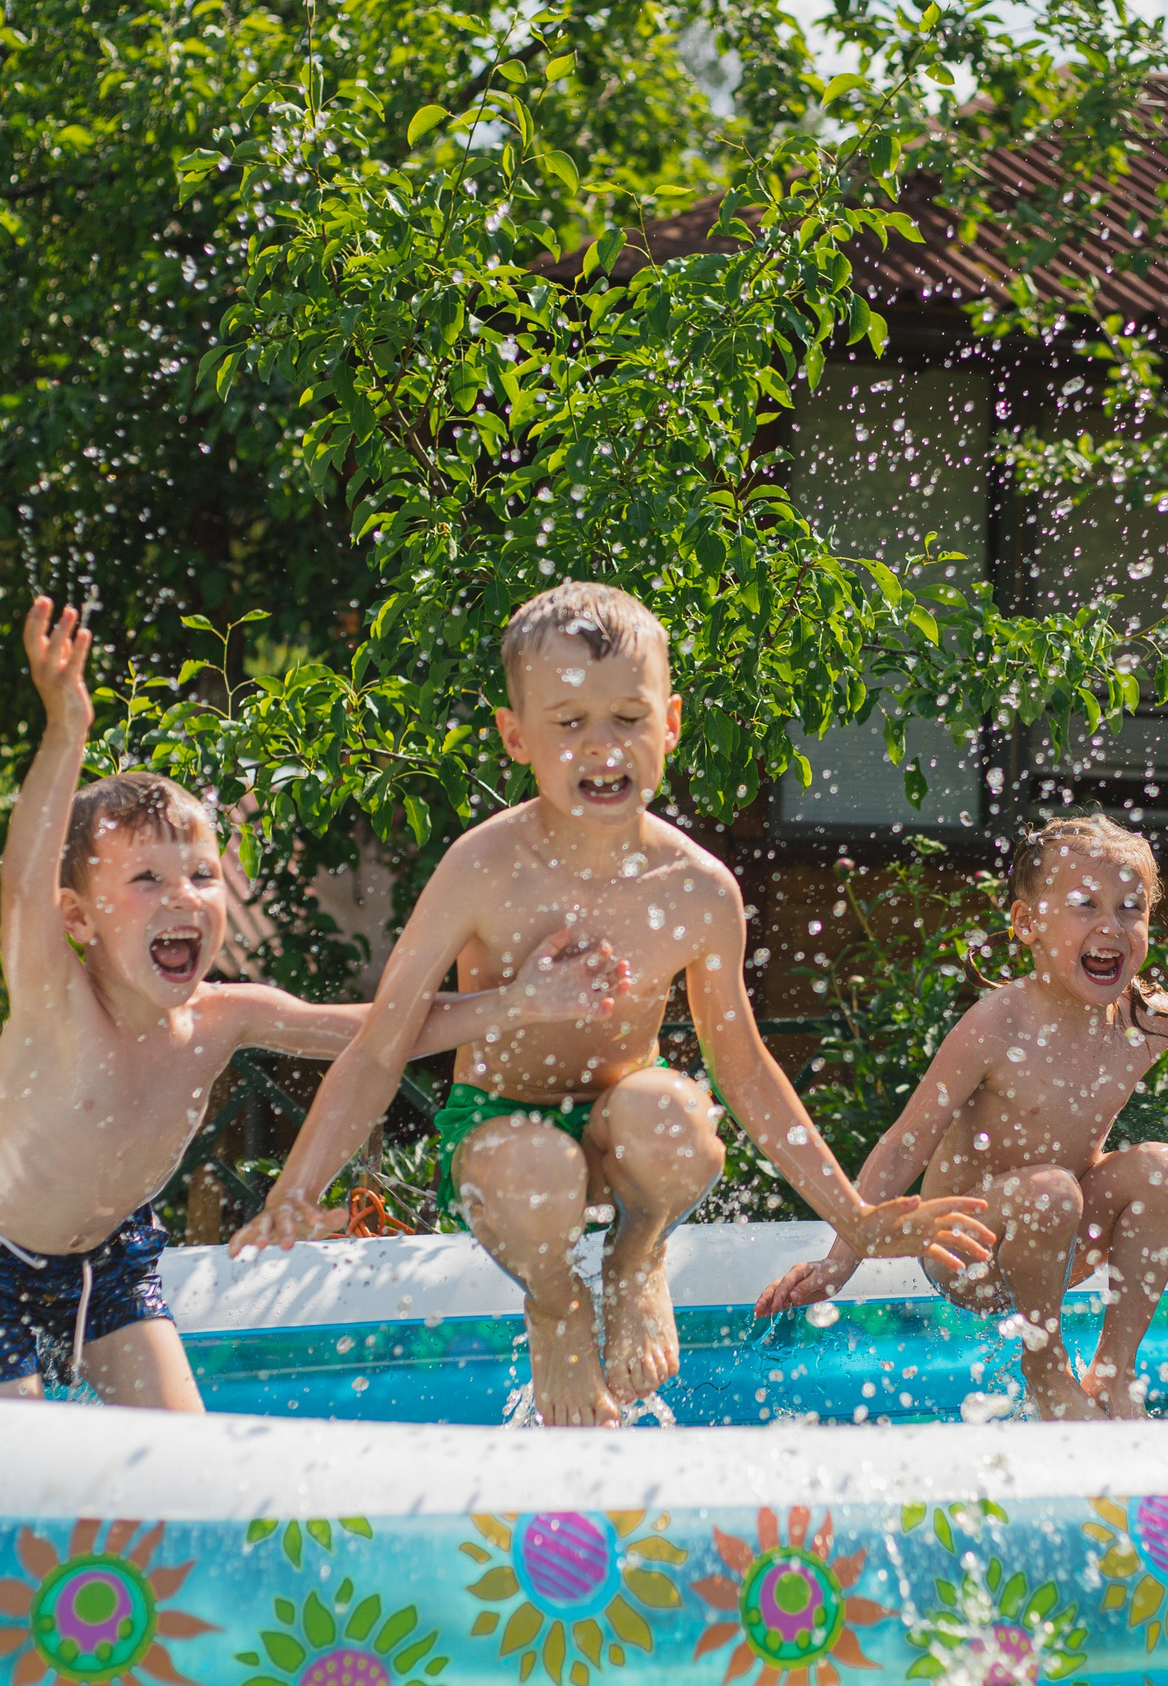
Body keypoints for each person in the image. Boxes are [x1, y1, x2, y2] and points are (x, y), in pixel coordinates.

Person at [228, 581, 997, 1426]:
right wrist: (298, 1186)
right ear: (515, 737)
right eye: (569, 723)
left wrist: (854, 1218)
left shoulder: (697, 889)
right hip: (499, 1135)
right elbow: (383, 1045)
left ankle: (638, 1253)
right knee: (538, 1169)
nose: (604, 747)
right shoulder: (485, 868)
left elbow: (740, 1066)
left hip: (625, 1133)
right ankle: (556, 1303)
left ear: (668, 723)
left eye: (628, 718)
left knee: (676, 1117)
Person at [0, 597, 624, 1412]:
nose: (184, 899)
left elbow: (378, 1030)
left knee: (184, 1463)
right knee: (13, 1473)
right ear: (79, 919)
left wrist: (516, 1003)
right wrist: (66, 730)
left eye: (202, 877)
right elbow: (21, 883)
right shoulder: (57, 1003)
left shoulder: (222, 1017)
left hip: (113, 1260)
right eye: (146, 881)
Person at [751, 815, 1168, 1420]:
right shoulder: (998, 1025)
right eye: (1085, 905)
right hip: (967, 1252)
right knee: (1050, 1190)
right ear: (1028, 923)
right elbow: (902, 1145)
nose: (1111, 926)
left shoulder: (1146, 1020)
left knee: (1167, 1171)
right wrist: (840, 1260)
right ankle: (1046, 1369)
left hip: (1063, 1241)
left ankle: (1113, 1372)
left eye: (1131, 909)